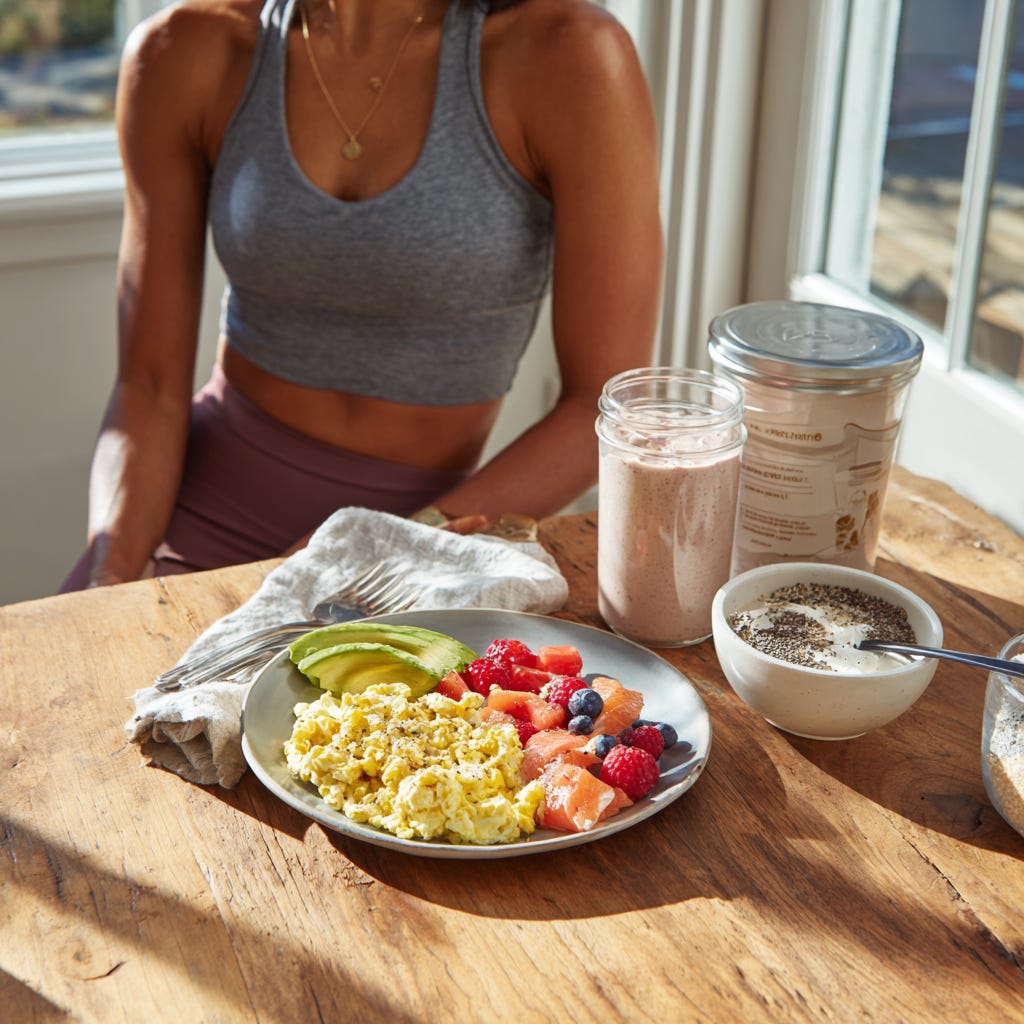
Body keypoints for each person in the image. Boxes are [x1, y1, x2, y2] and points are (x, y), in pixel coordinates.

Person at [61, 0, 663, 591]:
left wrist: (385, 550)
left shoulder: (568, 53)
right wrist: (111, 575)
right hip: (191, 522)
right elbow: (149, 386)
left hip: (411, 551)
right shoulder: (184, 48)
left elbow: (602, 410)